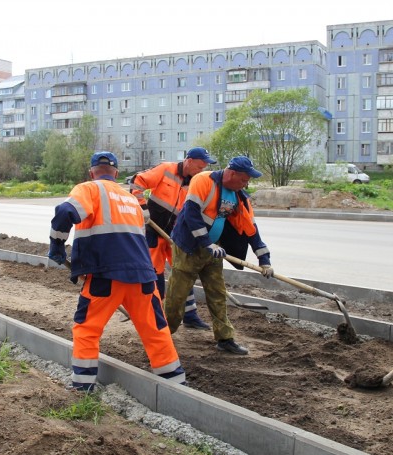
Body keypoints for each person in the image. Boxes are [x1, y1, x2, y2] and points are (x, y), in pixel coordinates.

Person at [48, 151, 186, 392]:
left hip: (105, 276)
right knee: (156, 331)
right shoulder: (131, 199)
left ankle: (82, 388)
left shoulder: (90, 188)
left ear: (92, 172)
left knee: (87, 329)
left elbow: (64, 212)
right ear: (116, 173)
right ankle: (177, 386)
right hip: (143, 277)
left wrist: (57, 244)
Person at [164, 156, 273, 355]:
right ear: (232, 173)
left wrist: (264, 259)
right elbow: (191, 214)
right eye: (244, 179)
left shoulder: (240, 196)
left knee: (218, 294)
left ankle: (225, 338)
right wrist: (207, 243)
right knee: (176, 296)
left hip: (214, 251)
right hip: (189, 248)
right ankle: (162, 337)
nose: (246, 183)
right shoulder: (203, 180)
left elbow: (251, 229)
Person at [129, 147, 216, 330]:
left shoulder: (196, 182)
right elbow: (137, 182)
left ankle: (190, 315)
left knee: (183, 272)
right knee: (155, 272)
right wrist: (142, 208)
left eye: (204, 168)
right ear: (189, 160)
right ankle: (157, 315)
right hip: (154, 230)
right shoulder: (166, 169)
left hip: (176, 235)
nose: (201, 171)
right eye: (199, 166)